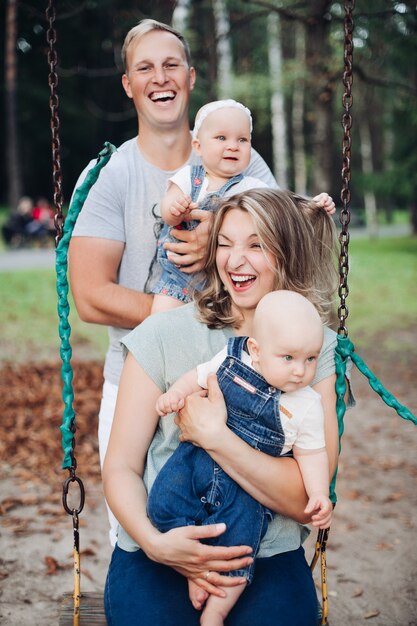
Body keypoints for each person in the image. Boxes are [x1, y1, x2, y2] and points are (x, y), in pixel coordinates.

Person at [68, 18, 333, 545]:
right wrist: (177, 320)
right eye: (145, 67)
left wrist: (224, 233)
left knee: (242, 510)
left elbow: (276, 255)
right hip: (140, 372)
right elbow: (91, 296)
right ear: (128, 83)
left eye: (171, 65)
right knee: (141, 522)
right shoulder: (112, 174)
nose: (159, 77)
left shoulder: (238, 155)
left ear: (190, 78)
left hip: (248, 368)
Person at [103, 188, 352, 626]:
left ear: (287, 252)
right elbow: (120, 465)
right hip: (162, 542)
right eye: (225, 243)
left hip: (265, 550)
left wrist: (215, 437)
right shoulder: (162, 334)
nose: (235, 260)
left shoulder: (315, 350)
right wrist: (155, 543)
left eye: (256, 245)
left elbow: (303, 499)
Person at [150, 289, 333, 624]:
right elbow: (198, 375)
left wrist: (319, 493)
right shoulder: (233, 359)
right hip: (196, 460)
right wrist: (176, 393)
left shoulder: (306, 405)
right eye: (288, 358)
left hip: (246, 491)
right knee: (162, 503)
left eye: (311, 359)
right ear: (256, 351)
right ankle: (195, 570)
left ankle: (216, 612)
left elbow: (313, 453)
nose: (300, 371)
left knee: (239, 548)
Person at [150, 99, 268, 314]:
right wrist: (175, 209)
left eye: (242, 139)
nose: (233, 145)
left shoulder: (251, 186)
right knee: (159, 324)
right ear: (198, 146)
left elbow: (281, 210)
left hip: (228, 282)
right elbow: (167, 211)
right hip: (179, 279)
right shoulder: (188, 177)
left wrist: (311, 206)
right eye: (221, 138)